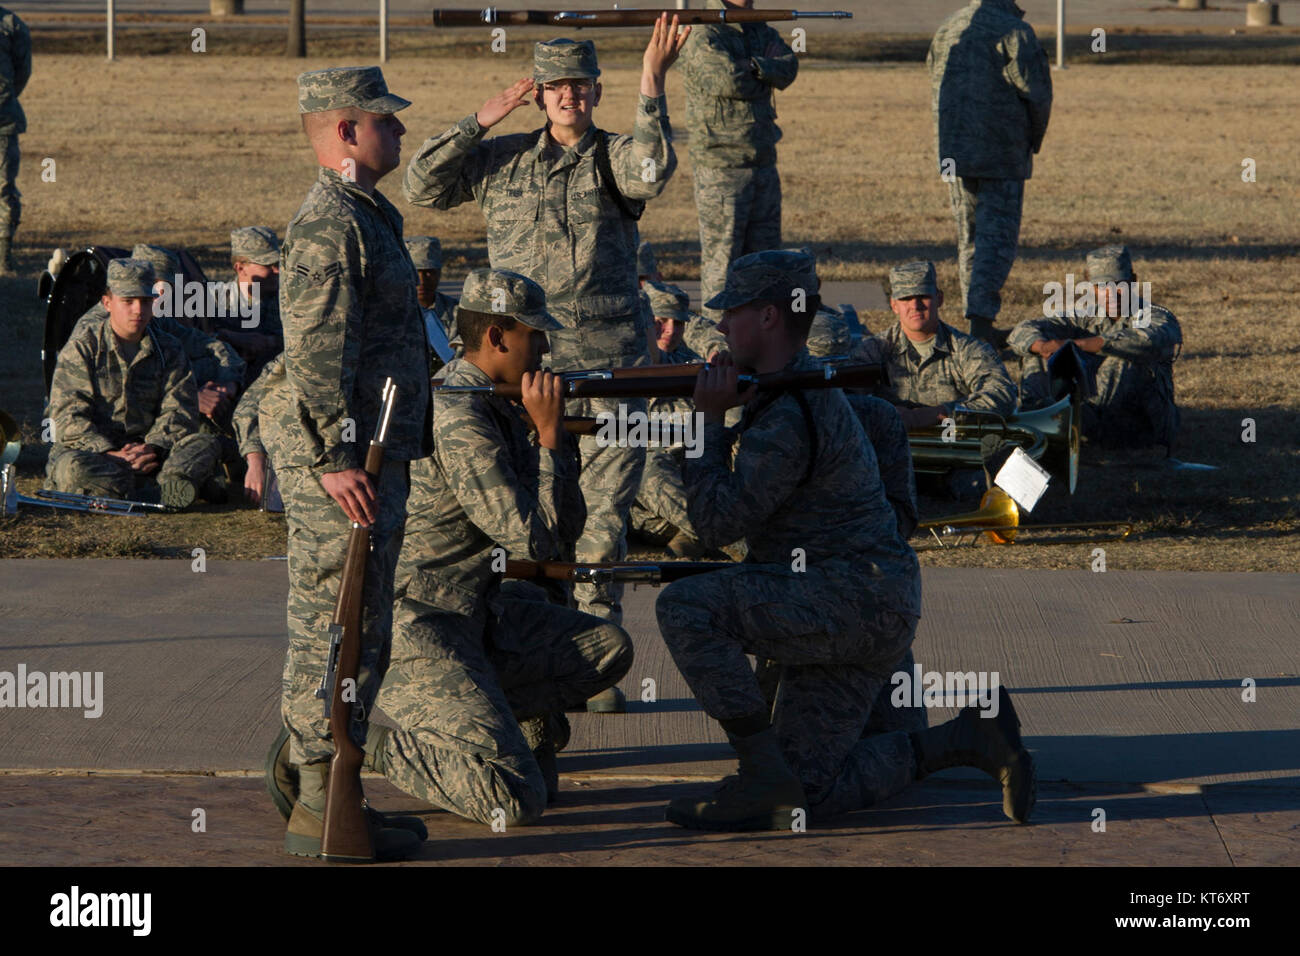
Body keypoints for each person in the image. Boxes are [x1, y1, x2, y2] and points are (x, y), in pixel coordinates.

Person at [655, 249, 1035, 830]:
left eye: (732, 312)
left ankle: (761, 772)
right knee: (802, 800)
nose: (722, 326)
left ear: (768, 318)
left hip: (843, 605)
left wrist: (704, 425)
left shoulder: (789, 412)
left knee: (684, 607)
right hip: (857, 605)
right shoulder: (798, 392)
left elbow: (714, 526)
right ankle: (967, 739)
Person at [403, 20, 688, 637]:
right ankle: (543, 637)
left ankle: (594, 636)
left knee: (605, 514)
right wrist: (479, 121)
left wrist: (652, 80)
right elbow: (420, 186)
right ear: (537, 93)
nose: (570, 97)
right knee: (530, 508)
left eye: (581, 86)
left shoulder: (614, 157)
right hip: (520, 371)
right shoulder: (502, 160)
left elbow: (651, 172)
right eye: (557, 86)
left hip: (609, 372)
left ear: (595, 91)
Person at [348, 269, 633, 823]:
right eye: (535, 334)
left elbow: (561, 536)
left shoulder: (499, 405)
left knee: (608, 648)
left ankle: (500, 721)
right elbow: (532, 537)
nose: (546, 348)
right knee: (513, 799)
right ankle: (348, 739)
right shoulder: (459, 414)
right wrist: (550, 437)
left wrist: (555, 439)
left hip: (477, 614)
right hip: (420, 623)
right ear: (497, 337)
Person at [271, 66, 432, 862]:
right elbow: (314, 353)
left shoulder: (367, 214)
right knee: (334, 631)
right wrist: (334, 456)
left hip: (374, 455)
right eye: (387, 122)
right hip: (348, 466)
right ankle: (315, 801)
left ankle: (339, 794)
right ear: (345, 132)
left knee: (361, 628)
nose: (400, 132)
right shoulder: (332, 223)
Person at [44, 259, 221, 510]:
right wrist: (108, 453)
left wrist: (153, 447)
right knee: (71, 467)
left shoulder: (169, 348)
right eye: (128, 301)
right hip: (97, 454)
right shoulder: (83, 347)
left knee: (205, 443)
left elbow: (180, 409)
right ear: (107, 303)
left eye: (145, 301)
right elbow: (66, 415)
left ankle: (144, 487)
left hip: (151, 453)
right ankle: (165, 488)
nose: (138, 310)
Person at [927, 0, 1052, 347]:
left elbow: (935, 85)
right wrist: (1032, 141)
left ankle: (976, 320)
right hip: (1001, 153)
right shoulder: (1015, 32)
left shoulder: (948, 27)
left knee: (969, 237)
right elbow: (1037, 95)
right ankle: (981, 324)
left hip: (954, 153)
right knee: (995, 240)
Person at [679, 0, 797, 322]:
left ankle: (763, 343)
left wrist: (753, 65)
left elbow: (789, 68)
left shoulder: (760, 27)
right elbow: (726, 80)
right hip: (721, 167)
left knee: (766, 264)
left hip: (762, 161)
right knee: (724, 265)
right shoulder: (703, 31)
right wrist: (764, 66)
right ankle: (717, 345)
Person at [1009, 244, 1181, 450]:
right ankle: (1035, 423)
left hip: (1141, 425)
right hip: (1089, 415)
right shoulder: (1086, 317)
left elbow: (1147, 340)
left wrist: (1077, 345)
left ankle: (1073, 424)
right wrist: (1043, 346)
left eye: (1118, 284)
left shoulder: (1155, 314)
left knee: (1124, 357)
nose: (1110, 293)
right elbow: (1023, 330)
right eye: (1101, 286)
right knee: (1039, 352)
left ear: (1133, 282)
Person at [851, 260, 1017, 430]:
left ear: (939, 299)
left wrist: (942, 413)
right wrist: (883, 412)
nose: (915, 306)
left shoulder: (967, 349)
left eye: (923, 296)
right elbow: (846, 399)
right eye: (906, 298)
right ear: (894, 305)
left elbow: (1003, 395)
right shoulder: (873, 350)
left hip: (952, 447)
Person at [629, 280, 709, 557]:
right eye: (661, 322)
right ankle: (713, 535)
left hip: (685, 487)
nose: (671, 332)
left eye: (679, 324)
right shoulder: (617, 368)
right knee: (644, 462)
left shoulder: (692, 368)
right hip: (637, 501)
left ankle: (693, 536)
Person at [218, 226, 284, 380]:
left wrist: (270, 342)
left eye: (278, 264)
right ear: (240, 268)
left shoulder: (290, 299)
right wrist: (229, 338)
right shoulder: (215, 303)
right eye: (268, 265)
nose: (277, 271)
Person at [0, 5, 29, 275]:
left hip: (3, 122)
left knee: (4, 190)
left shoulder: (12, 26)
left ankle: (3, 257)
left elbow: (22, 73)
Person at [405, 235, 459, 369]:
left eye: (429, 272)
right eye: (416, 272)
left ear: (439, 273)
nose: (422, 281)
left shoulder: (458, 313)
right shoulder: (390, 314)